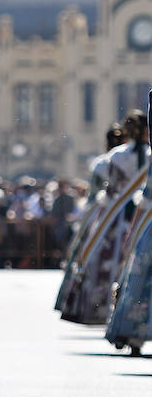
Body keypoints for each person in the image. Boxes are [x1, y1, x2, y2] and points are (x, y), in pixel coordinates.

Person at [61, 112, 150, 324]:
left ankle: (101, 308)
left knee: (104, 257)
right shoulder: (150, 154)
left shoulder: (116, 156)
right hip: (145, 214)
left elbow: (109, 191)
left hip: (117, 215)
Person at [55, 124, 123, 312]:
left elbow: (94, 195)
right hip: (122, 214)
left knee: (90, 252)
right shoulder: (124, 158)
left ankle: (91, 304)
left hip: (103, 214)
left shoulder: (103, 162)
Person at [108, 95, 152, 355]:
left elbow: (144, 199)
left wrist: (133, 232)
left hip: (137, 219)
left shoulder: (116, 156)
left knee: (141, 277)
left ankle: (133, 332)